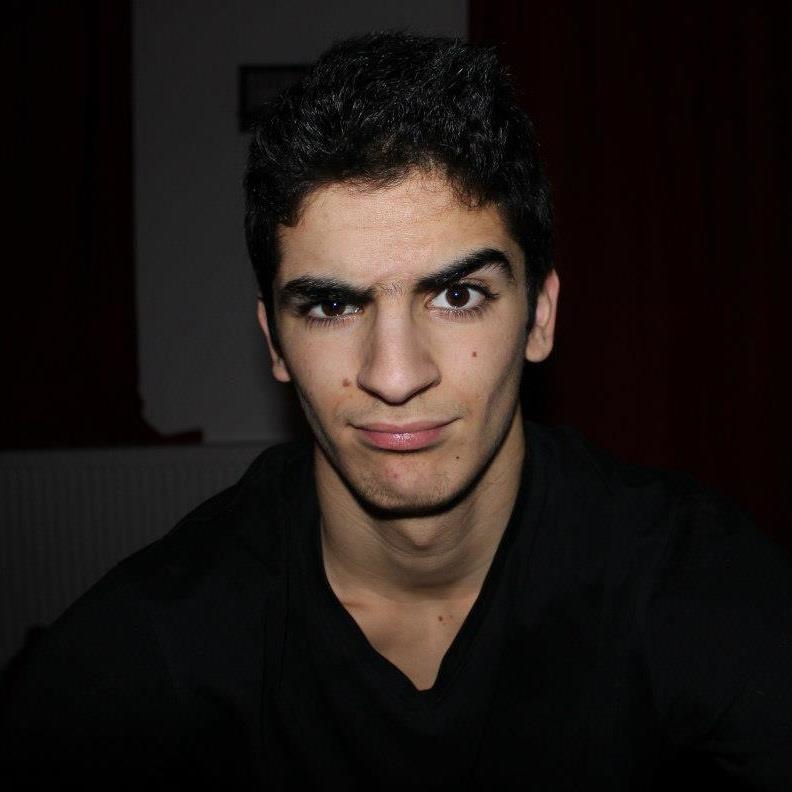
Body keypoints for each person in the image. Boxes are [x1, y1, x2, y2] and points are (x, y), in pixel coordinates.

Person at [2, 32, 791, 791]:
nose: (395, 374)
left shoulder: (685, 576)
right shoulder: (165, 636)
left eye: (458, 295)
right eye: (332, 306)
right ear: (274, 343)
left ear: (540, 317)